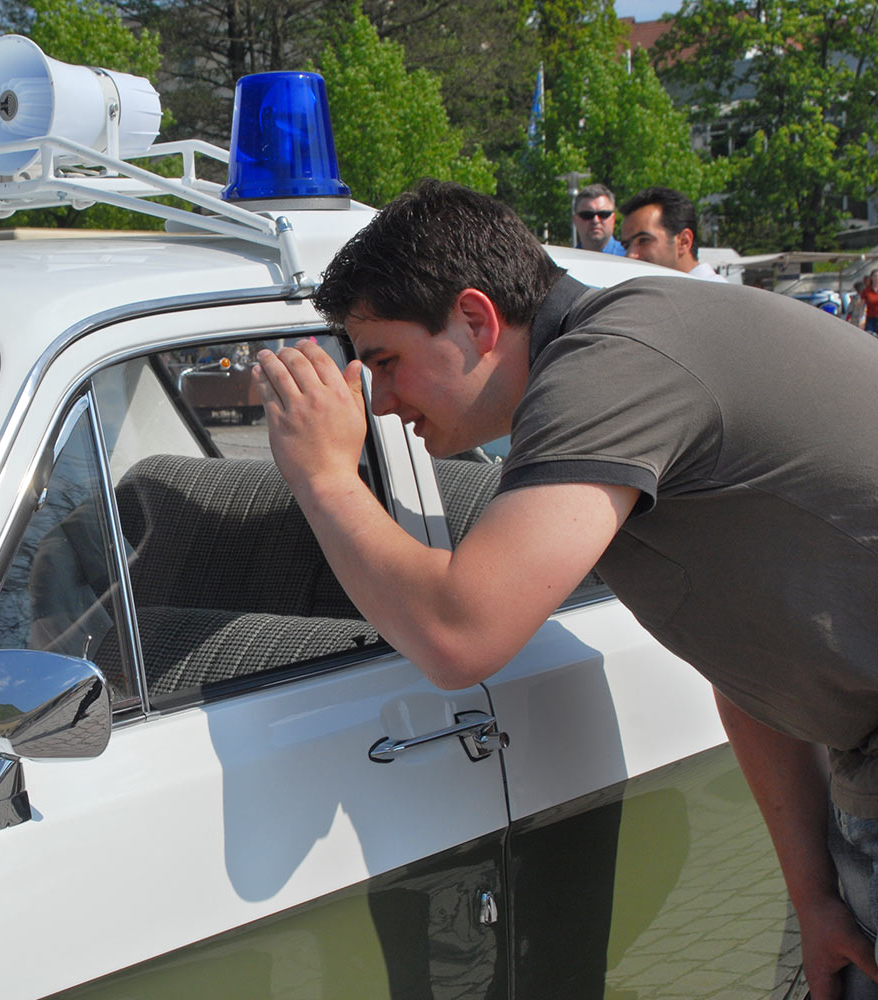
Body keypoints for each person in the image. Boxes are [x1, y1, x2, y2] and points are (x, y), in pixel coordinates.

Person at [251, 180, 878, 1000]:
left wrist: (326, 477)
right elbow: (747, 666)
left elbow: (461, 635)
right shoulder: (633, 342)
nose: (383, 403)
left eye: (385, 361)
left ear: (476, 319)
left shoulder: (613, 365)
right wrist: (815, 895)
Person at [620, 186, 727, 281]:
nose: (630, 255)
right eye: (626, 246)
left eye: (643, 240)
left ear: (684, 242)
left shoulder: (716, 294)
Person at [571, 183, 626, 255]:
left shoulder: (631, 258)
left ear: (613, 218)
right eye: (587, 215)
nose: (595, 220)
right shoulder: (566, 260)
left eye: (603, 214)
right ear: (575, 220)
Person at [861, 273, 878, 337]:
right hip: (870, 318)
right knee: (870, 336)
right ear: (871, 278)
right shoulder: (866, 291)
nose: (877, 278)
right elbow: (862, 306)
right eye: (875, 276)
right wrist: (861, 320)